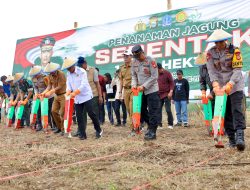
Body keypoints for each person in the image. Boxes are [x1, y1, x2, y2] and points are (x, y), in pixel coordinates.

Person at [206, 29, 246, 151]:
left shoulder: (235, 50)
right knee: (227, 113)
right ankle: (232, 140)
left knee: (236, 111)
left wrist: (231, 83)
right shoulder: (210, 53)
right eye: (216, 43)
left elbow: (237, 70)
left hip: (235, 86)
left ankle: (240, 138)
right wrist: (215, 84)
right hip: (221, 88)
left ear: (225, 40)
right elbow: (211, 71)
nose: (218, 45)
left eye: (220, 42)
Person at [61, 57, 103, 140]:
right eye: (67, 69)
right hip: (77, 98)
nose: (69, 70)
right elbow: (68, 85)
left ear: (73, 66)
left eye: (69, 68)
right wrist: (68, 92)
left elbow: (83, 85)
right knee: (79, 116)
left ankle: (99, 130)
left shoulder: (81, 71)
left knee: (91, 114)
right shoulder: (68, 74)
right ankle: (83, 134)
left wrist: (74, 92)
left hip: (86, 96)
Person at [131, 44, 161, 140]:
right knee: (142, 110)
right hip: (140, 91)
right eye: (136, 57)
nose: (138, 58)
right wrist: (134, 85)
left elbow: (154, 77)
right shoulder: (134, 62)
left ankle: (152, 131)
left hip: (152, 90)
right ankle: (150, 126)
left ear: (142, 52)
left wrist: (144, 86)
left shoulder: (151, 60)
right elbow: (134, 76)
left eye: (139, 56)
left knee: (153, 111)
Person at [73, 57, 103, 136]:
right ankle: (81, 131)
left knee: (93, 114)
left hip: (93, 96)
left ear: (85, 63)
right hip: (82, 97)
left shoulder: (93, 70)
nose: (79, 67)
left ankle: (98, 131)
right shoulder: (78, 71)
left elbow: (97, 84)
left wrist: (100, 96)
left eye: (80, 65)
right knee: (81, 115)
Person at [29, 65, 56, 131]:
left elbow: (49, 87)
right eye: (34, 75)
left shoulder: (45, 77)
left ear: (39, 72)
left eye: (36, 74)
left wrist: (43, 94)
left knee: (50, 111)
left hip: (48, 96)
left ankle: (53, 125)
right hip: (39, 97)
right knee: (38, 110)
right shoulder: (33, 79)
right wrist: (36, 94)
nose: (35, 76)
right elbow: (35, 88)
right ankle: (39, 125)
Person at [43, 62, 66, 135]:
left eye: (51, 71)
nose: (51, 73)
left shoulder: (61, 74)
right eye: (49, 72)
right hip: (56, 95)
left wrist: (51, 92)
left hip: (63, 95)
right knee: (53, 111)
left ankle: (63, 129)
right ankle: (59, 128)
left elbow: (60, 86)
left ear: (55, 70)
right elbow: (49, 86)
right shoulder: (50, 76)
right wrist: (43, 93)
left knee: (62, 113)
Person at [157, 63, 174, 129]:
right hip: (158, 94)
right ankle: (159, 125)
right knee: (158, 110)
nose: (158, 72)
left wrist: (171, 92)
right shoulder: (156, 74)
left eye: (158, 70)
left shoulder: (167, 73)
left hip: (167, 94)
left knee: (168, 110)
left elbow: (172, 83)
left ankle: (170, 124)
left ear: (161, 68)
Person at [120, 50, 133, 131]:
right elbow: (121, 80)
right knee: (128, 109)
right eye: (124, 56)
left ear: (131, 57)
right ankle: (136, 123)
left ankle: (134, 127)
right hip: (125, 90)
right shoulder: (122, 68)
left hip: (133, 90)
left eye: (127, 56)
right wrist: (120, 92)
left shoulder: (135, 66)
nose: (125, 58)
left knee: (132, 109)